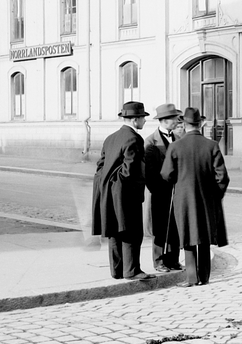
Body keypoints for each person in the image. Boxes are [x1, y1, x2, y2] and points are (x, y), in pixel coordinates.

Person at [161, 106, 230, 287]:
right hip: (207, 200)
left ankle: (191, 278)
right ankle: (204, 277)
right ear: (200, 124)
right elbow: (222, 177)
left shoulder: (175, 146)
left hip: (183, 199)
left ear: (184, 124)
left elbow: (166, 174)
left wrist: (179, 183)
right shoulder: (211, 145)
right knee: (204, 237)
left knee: (187, 236)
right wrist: (215, 196)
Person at [91, 101, 152, 280]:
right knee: (131, 231)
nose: (144, 121)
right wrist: (122, 183)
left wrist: (107, 182)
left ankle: (117, 271)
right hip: (125, 193)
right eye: (143, 117)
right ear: (134, 120)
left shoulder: (110, 138)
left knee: (114, 230)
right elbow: (129, 169)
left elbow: (100, 165)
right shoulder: (134, 139)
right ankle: (132, 271)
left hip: (107, 191)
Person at [143, 102, 183, 273]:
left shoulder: (178, 139)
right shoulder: (150, 142)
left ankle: (173, 259)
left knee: (175, 225)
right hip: (159, 192)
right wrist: (158, 190)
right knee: (160, 227)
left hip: (177, 191)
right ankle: (158, 261)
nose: (177, 121)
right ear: (165, 120)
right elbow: (149, 172)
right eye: (175, 119)